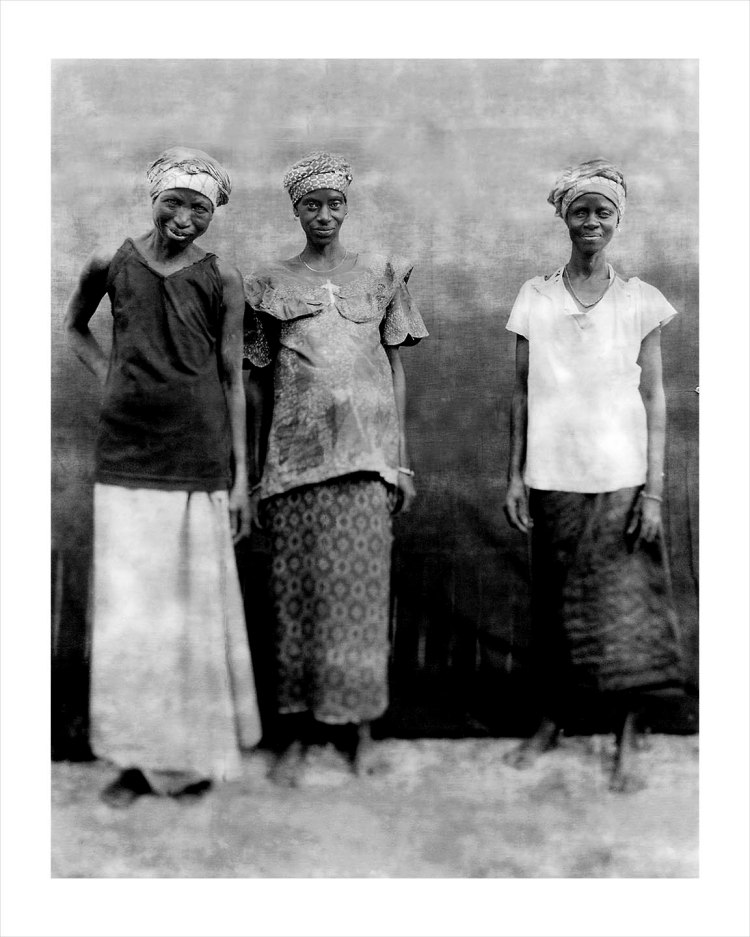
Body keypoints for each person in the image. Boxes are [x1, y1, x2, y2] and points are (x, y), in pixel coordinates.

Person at [64, 146, 261, 807]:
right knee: (132, 615)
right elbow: (75, 329)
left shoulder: (222, 278)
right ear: (153, 198)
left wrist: (238, 479)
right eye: (174, 201)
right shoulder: (110, 263)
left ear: (213, 215)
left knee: (189, 615)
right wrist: (111, 380)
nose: (184, 217)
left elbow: (234, 378)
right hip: (126, 459)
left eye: (199, 207)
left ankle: (189, 758)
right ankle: (132, 759)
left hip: (197, 458)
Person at [243, 151, 428, 785]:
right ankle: (296, 733)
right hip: (294, 463)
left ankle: (359, 732)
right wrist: (259, 470)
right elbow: (259, 384)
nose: (324, 214)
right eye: (311, 204)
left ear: (347, 208)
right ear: (295, 209)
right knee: (296, 597)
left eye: (334, 204)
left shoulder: (381, 273)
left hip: (366, 460)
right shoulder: (266, 283)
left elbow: (395, 367)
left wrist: (399, 462)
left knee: (360, 600)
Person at [503, 158, 684, 792]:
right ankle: (554, 720)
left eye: (602, 212)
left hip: (623, 479)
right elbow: (521, 395)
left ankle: (628, 734)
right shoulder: (536, 296)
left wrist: (655, 490)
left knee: (625, 609)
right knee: (556, 608)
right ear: (564, 217)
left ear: (618, 220)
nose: (591, 221)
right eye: (580, 210)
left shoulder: (640, 301)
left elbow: (657, 399)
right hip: (553, 476)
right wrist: (514, 477)